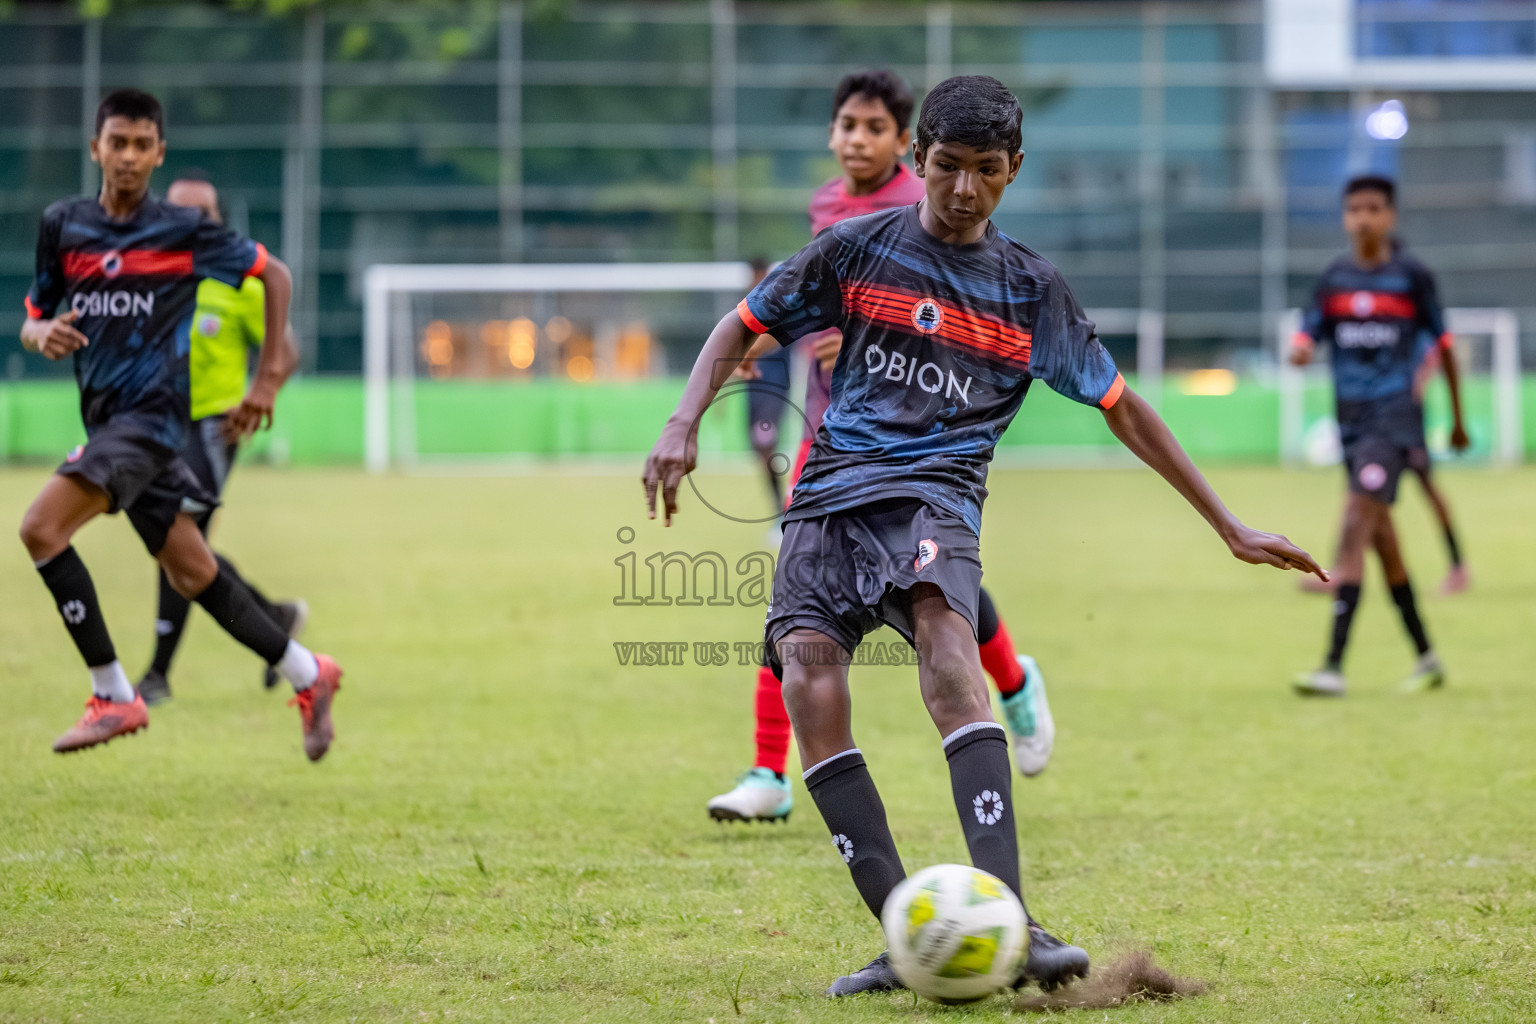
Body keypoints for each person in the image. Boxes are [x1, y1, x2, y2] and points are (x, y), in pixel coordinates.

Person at [644, 75, 1322, 996]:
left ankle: (1014, 917)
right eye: (949, 167)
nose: (964, 190)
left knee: (946, 648)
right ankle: (902, 936)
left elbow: (1123, 408)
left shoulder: (1030, 289)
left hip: (937, 499)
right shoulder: (852, 249)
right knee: (805, 676)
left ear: (1014, 172)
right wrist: (684, 421)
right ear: (919, 158)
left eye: (987, 171)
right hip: (830, 494)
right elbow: (745, 323)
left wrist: (1227, 522)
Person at [707, 70, 1051, 828]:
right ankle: (769, 770)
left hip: (926, 433)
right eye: (846, 125)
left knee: (936, 591)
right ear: (831, 134)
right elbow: (815, 290)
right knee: (795, 596)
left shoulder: (927, 200)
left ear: (906, 145)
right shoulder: (829, 207)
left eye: (873, 128)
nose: (856, 139)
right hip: (837, 432)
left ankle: (1012, 681)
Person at [18, 88, 342, 758]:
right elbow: (33, 315)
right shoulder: (64, 225)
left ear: (159, 153)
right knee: (193, 571)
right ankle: (310, 673)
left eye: (142, 145)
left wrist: (267, 380)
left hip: (150, 425)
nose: (129, 156)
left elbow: (273, 275)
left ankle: (113, 693)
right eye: (118, 142)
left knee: (41, 529)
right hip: (114, 425)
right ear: (95, 148)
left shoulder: (182, 230)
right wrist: (39, 332)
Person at [135, 170, 309, 705]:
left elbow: (288, 350)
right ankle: (277, 618)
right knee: (187, 550)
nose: (188, 221)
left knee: (177, 538)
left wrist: (262, 389)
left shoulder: (237, 282)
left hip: (212, 430)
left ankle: (157, 677)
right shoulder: (152, 276)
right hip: (156, 426)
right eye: (177, 210)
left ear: (216, 220)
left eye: (201, 213)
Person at [1291, 175, 1467, 697]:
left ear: (1390, 216)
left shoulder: (1412, 276)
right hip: (1350, 422)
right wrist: (1300, 348)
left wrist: (1456, 419)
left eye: (1373, 209)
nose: (1363, 218)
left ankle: (1332, 665)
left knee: (1356, 518)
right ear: (1346, 217)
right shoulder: (1334, 277)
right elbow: (1309, 329)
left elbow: (1447, 345)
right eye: (1355, 210)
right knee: (1385, 543)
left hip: (1394, 419)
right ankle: (1427, 658)